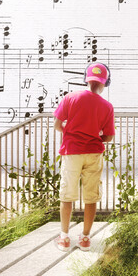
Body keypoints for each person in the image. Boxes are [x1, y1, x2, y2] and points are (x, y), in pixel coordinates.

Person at [53, 63, 115, 251]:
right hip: (93, 153)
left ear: (85, 79)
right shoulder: (107, 106)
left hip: (72, 152)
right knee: (91, 197)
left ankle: (64, 238)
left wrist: (69, 132)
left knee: (67, 195)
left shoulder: (70, 97)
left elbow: (57, 124)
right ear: (105, 83)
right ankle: (85, 239)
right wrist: (96, 137)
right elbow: (109, 136)